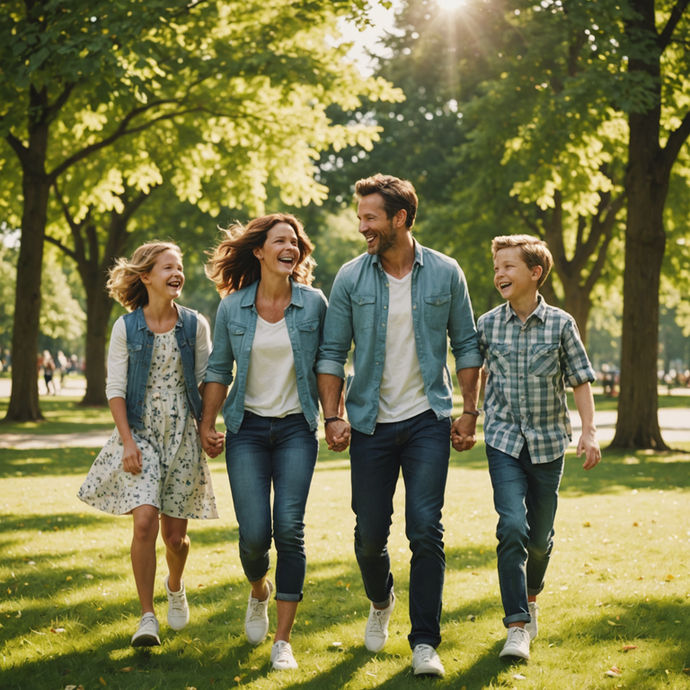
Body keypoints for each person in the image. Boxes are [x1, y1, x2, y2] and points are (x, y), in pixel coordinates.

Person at [316, 174, 483, 676]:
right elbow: (331, 352)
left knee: (426, 529)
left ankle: (425, 643)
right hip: (369, 423)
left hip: (428, 420)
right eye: (361, 216)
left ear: (400, 219)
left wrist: (468, 412)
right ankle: (381, 599)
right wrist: (333, 415)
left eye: (370, 217)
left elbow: (468, 346)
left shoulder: (446, 272)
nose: (361, 226)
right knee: (369, 535)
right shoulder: (350, 277)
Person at [200, 214, 327, 671]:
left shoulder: (314, 304)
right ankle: (259, 590)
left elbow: (327, 364)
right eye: (280, 240)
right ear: (259, 251)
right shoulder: (233, 307)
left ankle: (283, 639)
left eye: (294, 240)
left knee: (289, 529)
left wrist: (334, 416)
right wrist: (206, 423)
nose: (290, 246)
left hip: (296, 428)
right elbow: (218, 369)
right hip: (247, 430)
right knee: (254, 536)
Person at [78, 242, 218, 648]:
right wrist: (126, 442)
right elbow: (115, 388)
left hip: (182, 435)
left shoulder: (195, 325)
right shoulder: (126, 327)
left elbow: (209, 379)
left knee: (175, 538)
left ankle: (175, 585)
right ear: (146, 276)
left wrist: (207, 427)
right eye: (168, 267)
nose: (177, 273)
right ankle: (147, 617)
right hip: (140, 432)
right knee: (144, 523)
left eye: (180, 266)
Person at [478, 235, 601, 661]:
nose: (499, 274)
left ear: (535, 273)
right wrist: (468, 414)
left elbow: (580, 379)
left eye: (508, 266)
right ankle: (515, 625)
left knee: (539, 539)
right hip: (503, 439)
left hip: (549, 442)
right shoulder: (488, 324)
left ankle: (531, 597)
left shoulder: (562, 324)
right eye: (496, 267)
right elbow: (473, 372)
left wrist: (589, 431)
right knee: (512, 526)